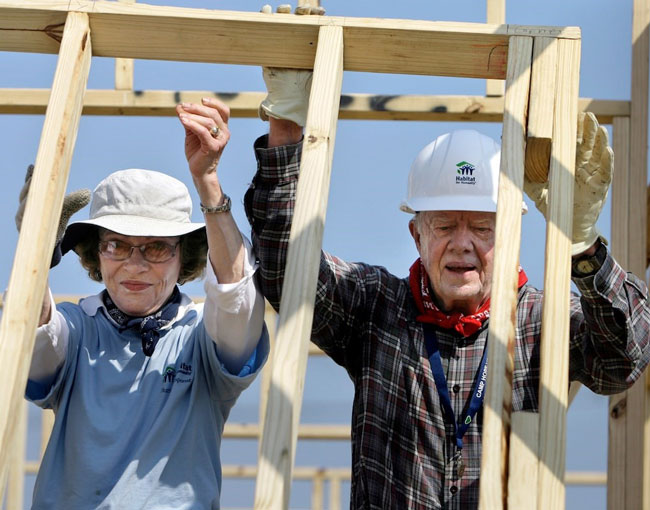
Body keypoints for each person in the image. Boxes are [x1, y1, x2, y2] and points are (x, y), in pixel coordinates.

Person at [243, 68, 650, 509]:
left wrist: (582, 244)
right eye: (444, 225)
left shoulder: (540, 319)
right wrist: (285, 128)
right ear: (417, 235)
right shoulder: (377, 307)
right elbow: (290, 273)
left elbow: (622, 359)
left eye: (481, 226)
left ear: (511, 233)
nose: (462, 243)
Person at [17, 97, 269, 509]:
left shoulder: (200, 337)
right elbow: (36, 343)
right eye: (116, 245)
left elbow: (236, 298)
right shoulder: (76, 328)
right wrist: (34, 251)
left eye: (154, 247)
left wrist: (207, 180)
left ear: (183, 256)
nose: (134, 264)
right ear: (95, 254)